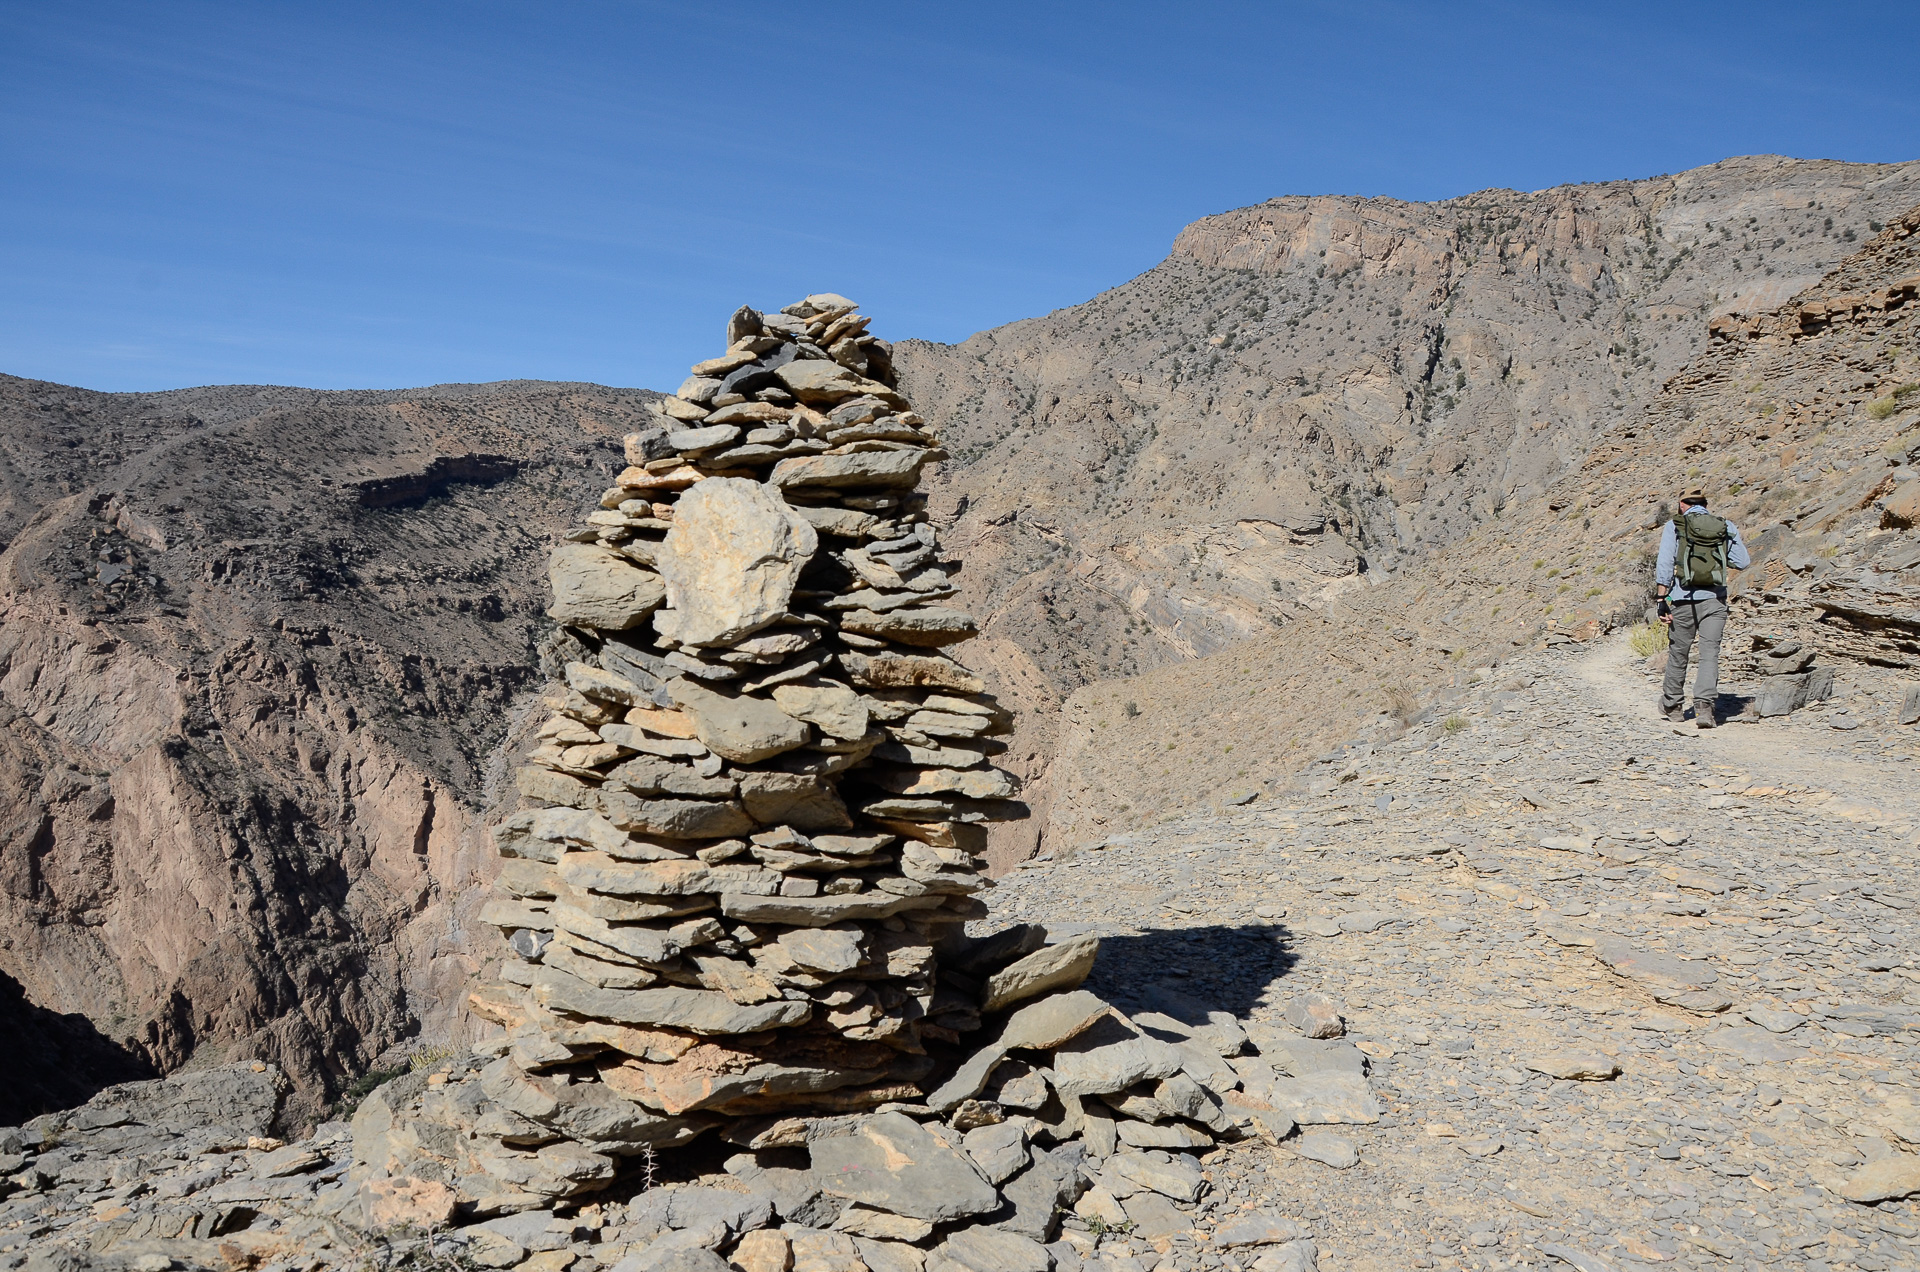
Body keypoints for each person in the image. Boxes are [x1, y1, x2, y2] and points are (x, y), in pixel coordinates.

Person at [1655, 487, 1750, 728]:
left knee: (1679, 653)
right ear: (1705, 504)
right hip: (1714, 600)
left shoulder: (1675, 525)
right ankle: (1705, 710)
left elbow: (1665, 564)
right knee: (1710, 655)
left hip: (1682, 600)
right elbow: (1743, 561)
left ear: (1682, 505)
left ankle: (1673, 706)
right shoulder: (1724, 525)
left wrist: (1661, 600)